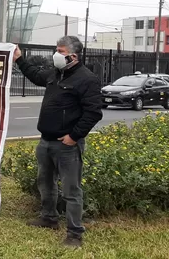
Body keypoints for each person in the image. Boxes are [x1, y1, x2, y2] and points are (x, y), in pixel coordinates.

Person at [13, 36, 103, 248]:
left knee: (71, 191)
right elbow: (36, 76)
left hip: (67, 146)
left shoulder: (86, 79)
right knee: (45, 183)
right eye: (56, 50)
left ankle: (74, 233)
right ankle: (48, 218)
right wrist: (19, 59)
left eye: (60, 51)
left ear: (73, 56)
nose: (56, 55)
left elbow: (93, 113)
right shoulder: (56, 74)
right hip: (46, 142)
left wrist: (73, 137)